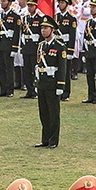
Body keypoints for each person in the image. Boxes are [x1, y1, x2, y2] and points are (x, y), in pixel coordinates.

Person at [34, 20, 64, 148]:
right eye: (42, 28)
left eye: (46, 28)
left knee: (53, 113)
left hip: (53, 83)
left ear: (52, 30)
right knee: (44, 113)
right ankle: (45, 139)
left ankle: (53, 140)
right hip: (42, 82)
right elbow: (38, 64)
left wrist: (61, 85)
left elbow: (62, 68)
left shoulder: (59, 46)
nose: (43, 30)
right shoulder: (41, 45)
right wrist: (37, 83)